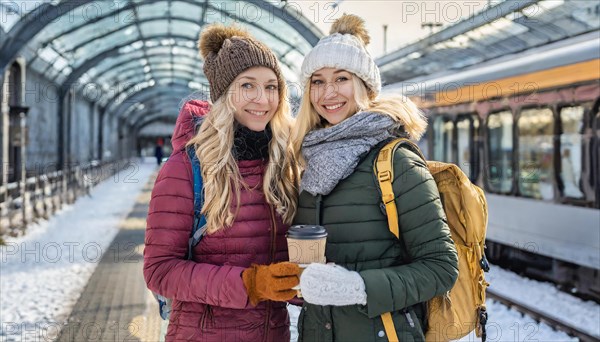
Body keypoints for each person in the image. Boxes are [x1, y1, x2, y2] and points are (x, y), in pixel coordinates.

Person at [290, 14, 459, 341]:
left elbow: (441, 268)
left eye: (341, 78)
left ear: (364, 85)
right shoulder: (307, 162)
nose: (329, 93)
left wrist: (359, 287)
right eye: (318, 81)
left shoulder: (395, 161)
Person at [144, 25, 301, 341]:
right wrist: (250, 284)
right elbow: (159, 271)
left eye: (272, 87)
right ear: (224, 93)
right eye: (248, 86)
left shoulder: (286, 164)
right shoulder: (186, 168)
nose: (262, 99)